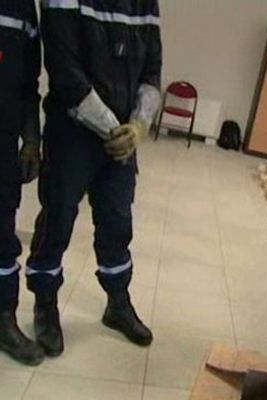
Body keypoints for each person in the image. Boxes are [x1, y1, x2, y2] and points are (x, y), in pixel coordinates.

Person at [25, 0, 162, 357]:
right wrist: (115, 129)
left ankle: (117, 303)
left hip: (121, 140)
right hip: (72, 132)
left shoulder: (145, 3)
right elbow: (65, 70)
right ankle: (45, 302)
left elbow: (152, 70)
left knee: (117, 221)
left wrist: (139, 126)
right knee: (57, 217)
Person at [0, 0, 45, 366]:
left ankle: (4, 319)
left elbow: (30, 83)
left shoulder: (21, 7)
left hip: (3, 140)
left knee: (1, 235)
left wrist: (32, 138)